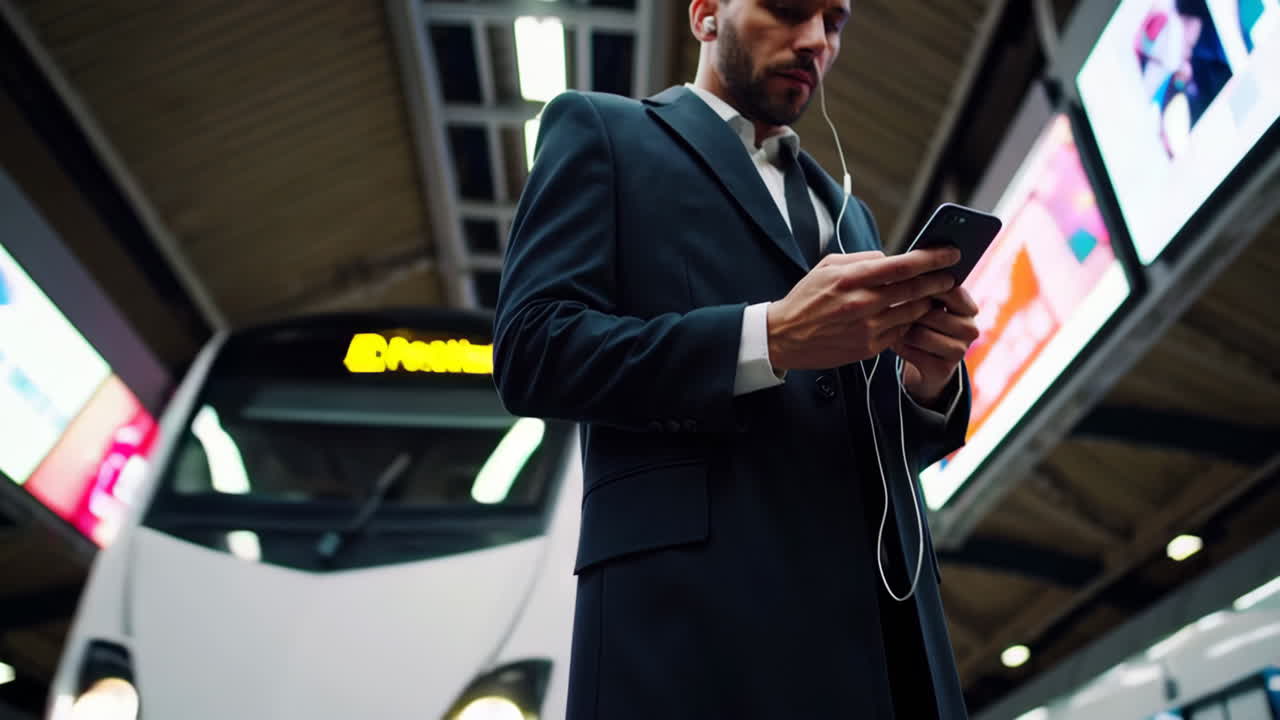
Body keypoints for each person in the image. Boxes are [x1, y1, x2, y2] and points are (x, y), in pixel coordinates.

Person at [493, 1, 980, 717]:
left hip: (880, 640)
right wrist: (768, 339)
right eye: (788, 9)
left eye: (835, 22)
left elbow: (859, 430)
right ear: (705, 15)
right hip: (692, 631)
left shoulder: (848, 212)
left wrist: (924, 383)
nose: (815, 40)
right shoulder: (604, 132)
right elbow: (533, 347)